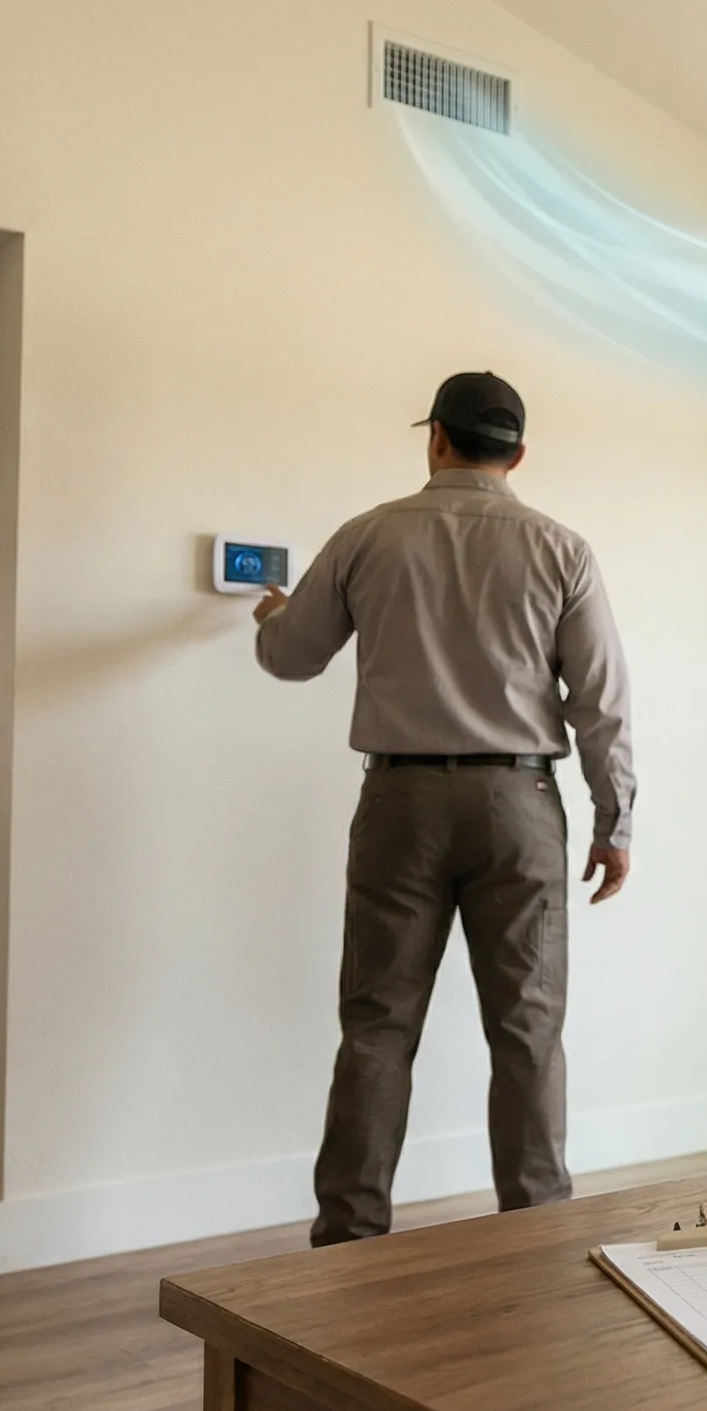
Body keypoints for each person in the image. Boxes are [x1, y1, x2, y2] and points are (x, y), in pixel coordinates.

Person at [254, 371, 632, 1245]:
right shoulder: (561, 549)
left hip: (400, 799)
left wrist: (270, 616)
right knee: (529, 1030)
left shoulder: (368, 535)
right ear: (519, 454)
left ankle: (349, 1240)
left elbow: (291, 657)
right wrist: (616, 820)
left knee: (378, 1028)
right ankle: (536, 1235)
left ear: (436, 439)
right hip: (520, 800)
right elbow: (601, 699)